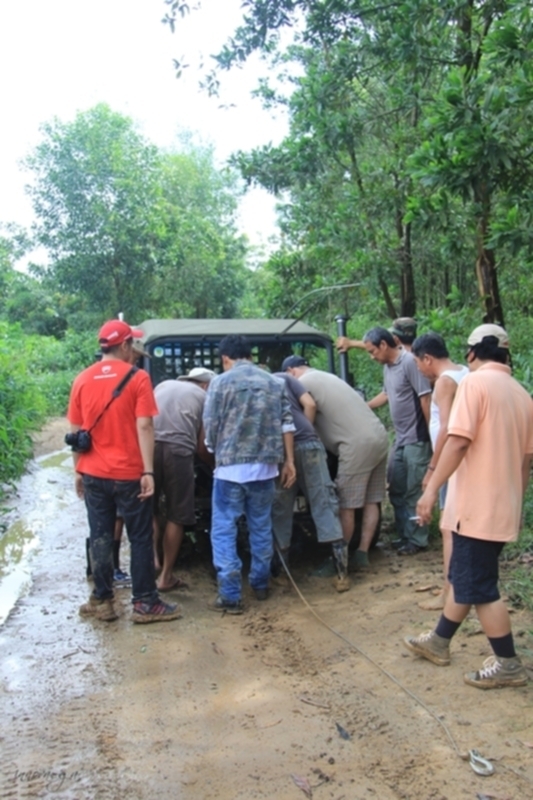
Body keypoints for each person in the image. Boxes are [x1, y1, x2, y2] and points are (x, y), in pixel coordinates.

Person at [404, 324, 533, 689]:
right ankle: (439, 640)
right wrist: (514, 502)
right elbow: (526, 462)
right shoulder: (522, 394)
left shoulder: (474, 384)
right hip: (501, 505)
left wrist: (431, 489)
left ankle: (508, 663)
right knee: (467, 575)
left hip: (476, 507)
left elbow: (458, 442)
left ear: (473, 353)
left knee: (480, 587)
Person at [67, 319, 180, 624]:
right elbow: (144, 425)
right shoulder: (138, 378)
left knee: (101, 535)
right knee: (140, 537)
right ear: (126, 345)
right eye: (133, 344)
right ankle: (144, 602)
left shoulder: (82, 379)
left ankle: (103, 601)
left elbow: (76, 432)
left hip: (93, 473)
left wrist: (79, 470)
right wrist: (148, 471)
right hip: (129, 474)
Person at [203, 335, 296, 613]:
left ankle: (230, 594)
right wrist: (289, 462)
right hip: (265, 469)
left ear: (225, 358)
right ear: (250, 355)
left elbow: (210, 423)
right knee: (261, 526)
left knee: (223, 530)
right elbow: (287, 424)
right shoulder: (274, 382)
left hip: (230, 470)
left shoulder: (220, 382)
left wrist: (212, 447)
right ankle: (260, 583)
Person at [283, 356, 389, 581]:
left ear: (291, 371)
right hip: (378, 438)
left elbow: (307, 408)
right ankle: (362, 553)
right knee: (371, 500)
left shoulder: (304, 383)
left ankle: (339, 561)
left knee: (345, 504)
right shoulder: (328, 376)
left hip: (355, 445)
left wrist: (305, 431)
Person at [271, 366, 346, 586]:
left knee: (280, 508)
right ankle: (342, 573)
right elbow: (311, 404)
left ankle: (282, 573)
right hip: (309, 444)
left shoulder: (256, 386)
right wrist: (305, 429)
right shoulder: (286, 377)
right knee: (324, 500)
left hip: (280, 451)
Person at [362, 326, 432, 554]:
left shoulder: (409, 362)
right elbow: (387, 394)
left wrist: (432, 434)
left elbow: (425, 398)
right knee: (396, 488)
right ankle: (405, 534)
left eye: (373, 351)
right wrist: (363, 407)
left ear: (384, 345)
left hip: (417, 438)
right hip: (400, 438)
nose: (372, 357)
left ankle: (418, 539)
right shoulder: (388, 367)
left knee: (414, 489)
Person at [411, 332, 468, 609]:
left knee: (448, 528)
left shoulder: (445, 382)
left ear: (428, 358)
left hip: (448, 461)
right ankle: (452, 587)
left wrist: (433, 468)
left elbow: (447, 427)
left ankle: (450, 593)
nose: (419, 369)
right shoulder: (464, 372)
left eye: (418, 364)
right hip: (459, 462)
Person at [153, 367, 216, 592]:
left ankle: (152, 559)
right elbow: (201, 448)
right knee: (177, 515)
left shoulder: (162, 386)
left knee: (150, 510)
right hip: (178, 451)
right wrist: (213, 466)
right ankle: (166, 577)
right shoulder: (205, 398)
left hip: (148, 446)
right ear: (206, 385)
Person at [336, 318, 418, 410]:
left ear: (396, 339)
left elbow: (378, 346)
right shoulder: (396, 361)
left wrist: (352, 343)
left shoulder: (410, 361)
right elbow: (386, 394)